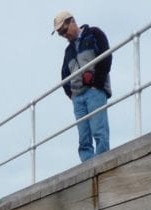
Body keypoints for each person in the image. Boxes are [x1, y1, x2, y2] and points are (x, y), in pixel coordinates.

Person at [54, 11, 112, 161]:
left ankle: (102, 162)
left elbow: (106, 56)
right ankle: (87, 167)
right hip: (78, 97)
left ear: (72, 21)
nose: (64, 35)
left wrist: (97, 83)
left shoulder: (94, 33)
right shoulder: (68, 50)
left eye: (64, 30)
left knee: (99, 131)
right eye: (60, 34)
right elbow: (64, 74)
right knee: (83, 138)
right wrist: (71, 94)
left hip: (95, 91)